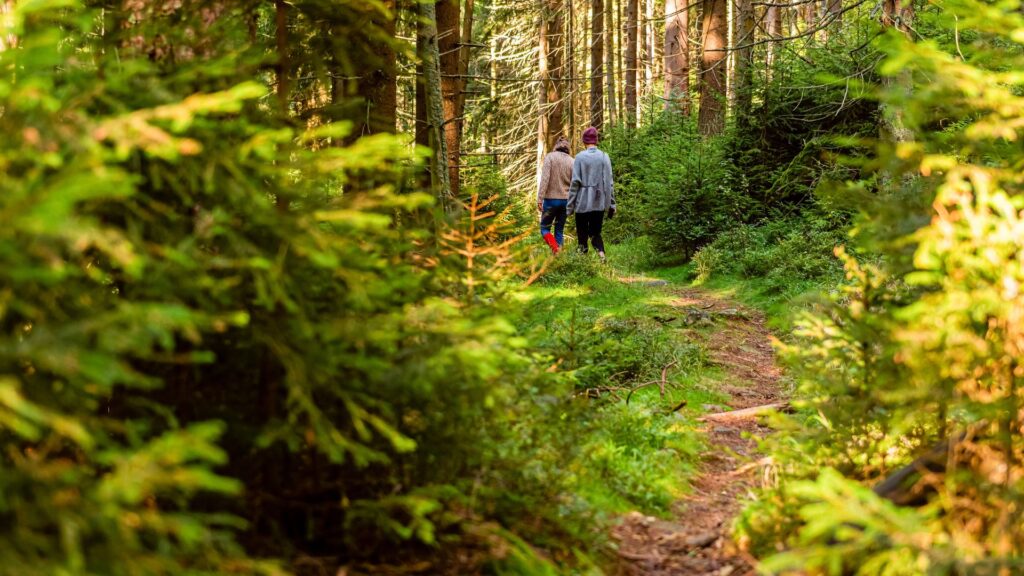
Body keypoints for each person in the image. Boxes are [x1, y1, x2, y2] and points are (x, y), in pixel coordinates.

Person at [567, 127, 615, 262]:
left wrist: (569, 206)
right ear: (596, 140)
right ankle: (602, 255)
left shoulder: (580, 157)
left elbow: (575, 183)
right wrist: (611, 204)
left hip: (582, 203)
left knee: (582, 234)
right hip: (598, 202)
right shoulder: (604, 157)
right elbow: (609, 183)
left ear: (584, 141)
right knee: (595, 233)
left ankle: (582, 262)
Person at [537, 136, 574, 254]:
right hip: (566, 201)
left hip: (550, 200)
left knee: (544, 228)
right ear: (568, 147)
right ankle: (559, 259)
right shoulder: (572, 161)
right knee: (559, 231)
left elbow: (545, 179)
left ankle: (556, 250)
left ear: (556, 146)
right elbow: (575, 183)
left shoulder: (550, 157)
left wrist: (540, 198)